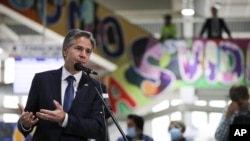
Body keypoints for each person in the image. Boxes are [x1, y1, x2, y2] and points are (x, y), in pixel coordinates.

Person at [17, 29, 107, 141]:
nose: (83, 55)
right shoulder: (42, 80)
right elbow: (29, 118)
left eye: (88, 51)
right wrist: (25, 124)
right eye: (79, 49)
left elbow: (98, 128)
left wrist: (65, 119)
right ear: (65, 51)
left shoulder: (96, 88)